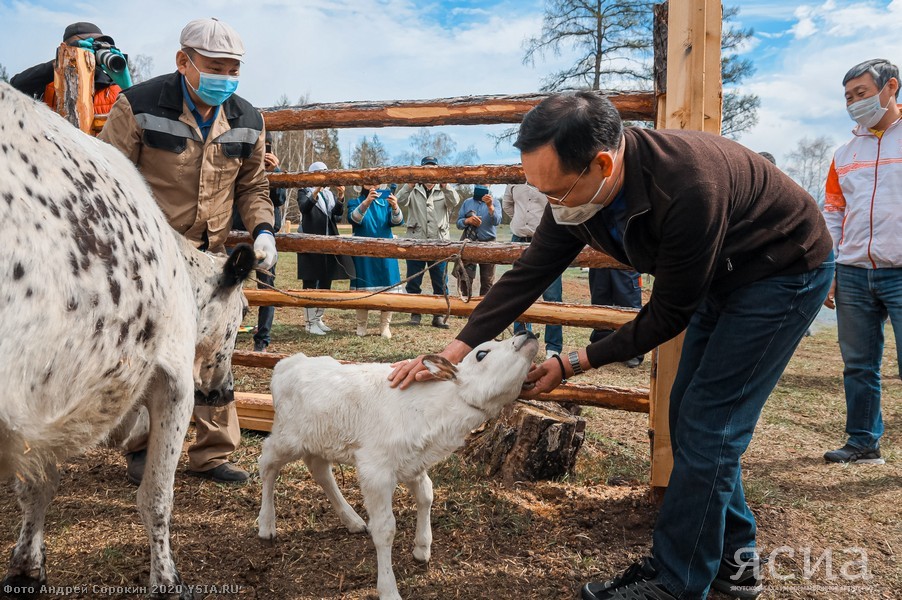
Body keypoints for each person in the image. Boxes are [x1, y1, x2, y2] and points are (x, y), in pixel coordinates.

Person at [390, 91, 834, 600]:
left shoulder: (688, 186)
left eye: (555, 192)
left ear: (603, 162)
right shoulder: (584, 192)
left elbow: (668, 313)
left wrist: (575, 360)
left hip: (782, 271)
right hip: (722, 277)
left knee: (710, 426)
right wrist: (453, 351)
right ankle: (735, 569)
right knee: (690, 416)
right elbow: (529, 273)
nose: (550, 204)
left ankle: (677, 582)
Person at [99, 17, 278, 485]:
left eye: (234, 69)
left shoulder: (247, 118)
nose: (226, 78)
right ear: (184, 61)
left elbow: (253, 185)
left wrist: (263, 229)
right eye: (216, 66)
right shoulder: (138, 106)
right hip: (148, 256)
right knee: (147, 352)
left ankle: (212, 451)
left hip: (213, 260)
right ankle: (141, 446)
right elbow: (108, 176)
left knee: (216, 355)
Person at [822, 58, 902, 466]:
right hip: (853, 272)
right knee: (858, 364)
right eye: (849, 97)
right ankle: (862, 442)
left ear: (890, 88)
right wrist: (831, 267)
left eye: (862, 93)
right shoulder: (844, 154)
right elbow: (833, 212)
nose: (854, 103)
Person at [232, 131, 286, 352]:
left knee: (266, 287)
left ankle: (262, 340)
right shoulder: (240, 164)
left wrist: (274, 174)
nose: (265, 152)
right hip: (237, 229)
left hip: (265, 235)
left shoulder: (276, 170)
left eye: (269, 148)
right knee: (233, 286)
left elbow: (279, 199)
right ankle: (230, 335)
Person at [395, 156, 461, 328]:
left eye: (433, 169)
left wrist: (446, 185)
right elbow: (399, 200)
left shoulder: (444, 188)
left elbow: (455, 201)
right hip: (416, 240)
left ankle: (438, 315)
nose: (430, 173)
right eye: (426, 169)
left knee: (440, 281)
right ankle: (415, 313)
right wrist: (408, 185)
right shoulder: (413, 188)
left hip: (439, 242)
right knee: (414, 281)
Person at [11, 22, 124, 119]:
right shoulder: (49, 85)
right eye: (87, 43)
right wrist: (62, 60)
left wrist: (128, 88)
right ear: (64, 46)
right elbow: (15, 87)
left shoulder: (113, 89)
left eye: (97, 46)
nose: (91, 51)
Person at [503, 183, 564, 360]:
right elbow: (507, 205)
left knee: (552, 295)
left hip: (545, 239)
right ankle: (520, 339)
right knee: (518, 292)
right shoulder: (513, 180)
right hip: (518, 239)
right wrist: (521, 223)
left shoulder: (545, 175)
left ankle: (553, 347)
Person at [296, 162, 355, 335]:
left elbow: (336, 216)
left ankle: (318, 318)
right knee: (310, 281)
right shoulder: (304, 191)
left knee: (325, 280)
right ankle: (309, 322)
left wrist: (341, 196)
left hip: (328, 242)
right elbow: (304, 208)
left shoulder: (328, 194)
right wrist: (316, 191)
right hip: (310, 241)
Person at [348, 185, 404, 338]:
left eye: (376, 181)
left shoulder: (385, 202)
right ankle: (361, 325)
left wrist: (395, 206)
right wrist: (366, 202)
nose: (372, 184)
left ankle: (384, 326)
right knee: (363, 288)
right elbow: (354, 219)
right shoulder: (355, 201)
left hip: (385, 252)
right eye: (368, 181)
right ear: (361, 184)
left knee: (388, 287)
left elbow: (398, 221)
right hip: (363, 254)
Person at [588, 269, 645, 368]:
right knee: (600, 301)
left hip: (625, 260)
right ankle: (601, 347)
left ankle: (632, 351)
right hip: (600, 259)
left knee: (628, 302)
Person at [453, 185, 502, 297]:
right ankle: (464, 310)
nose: (482, 185)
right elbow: (458, 223)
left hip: (488, 244)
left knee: (487, 280)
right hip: (469, 242)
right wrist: (467, 220)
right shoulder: (467, 202)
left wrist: (490, 207)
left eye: (485, 184)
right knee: (465, 278)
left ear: (490, 186)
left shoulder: (496, 203)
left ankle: (483, 311)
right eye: (479, 183)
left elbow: (497, 221)